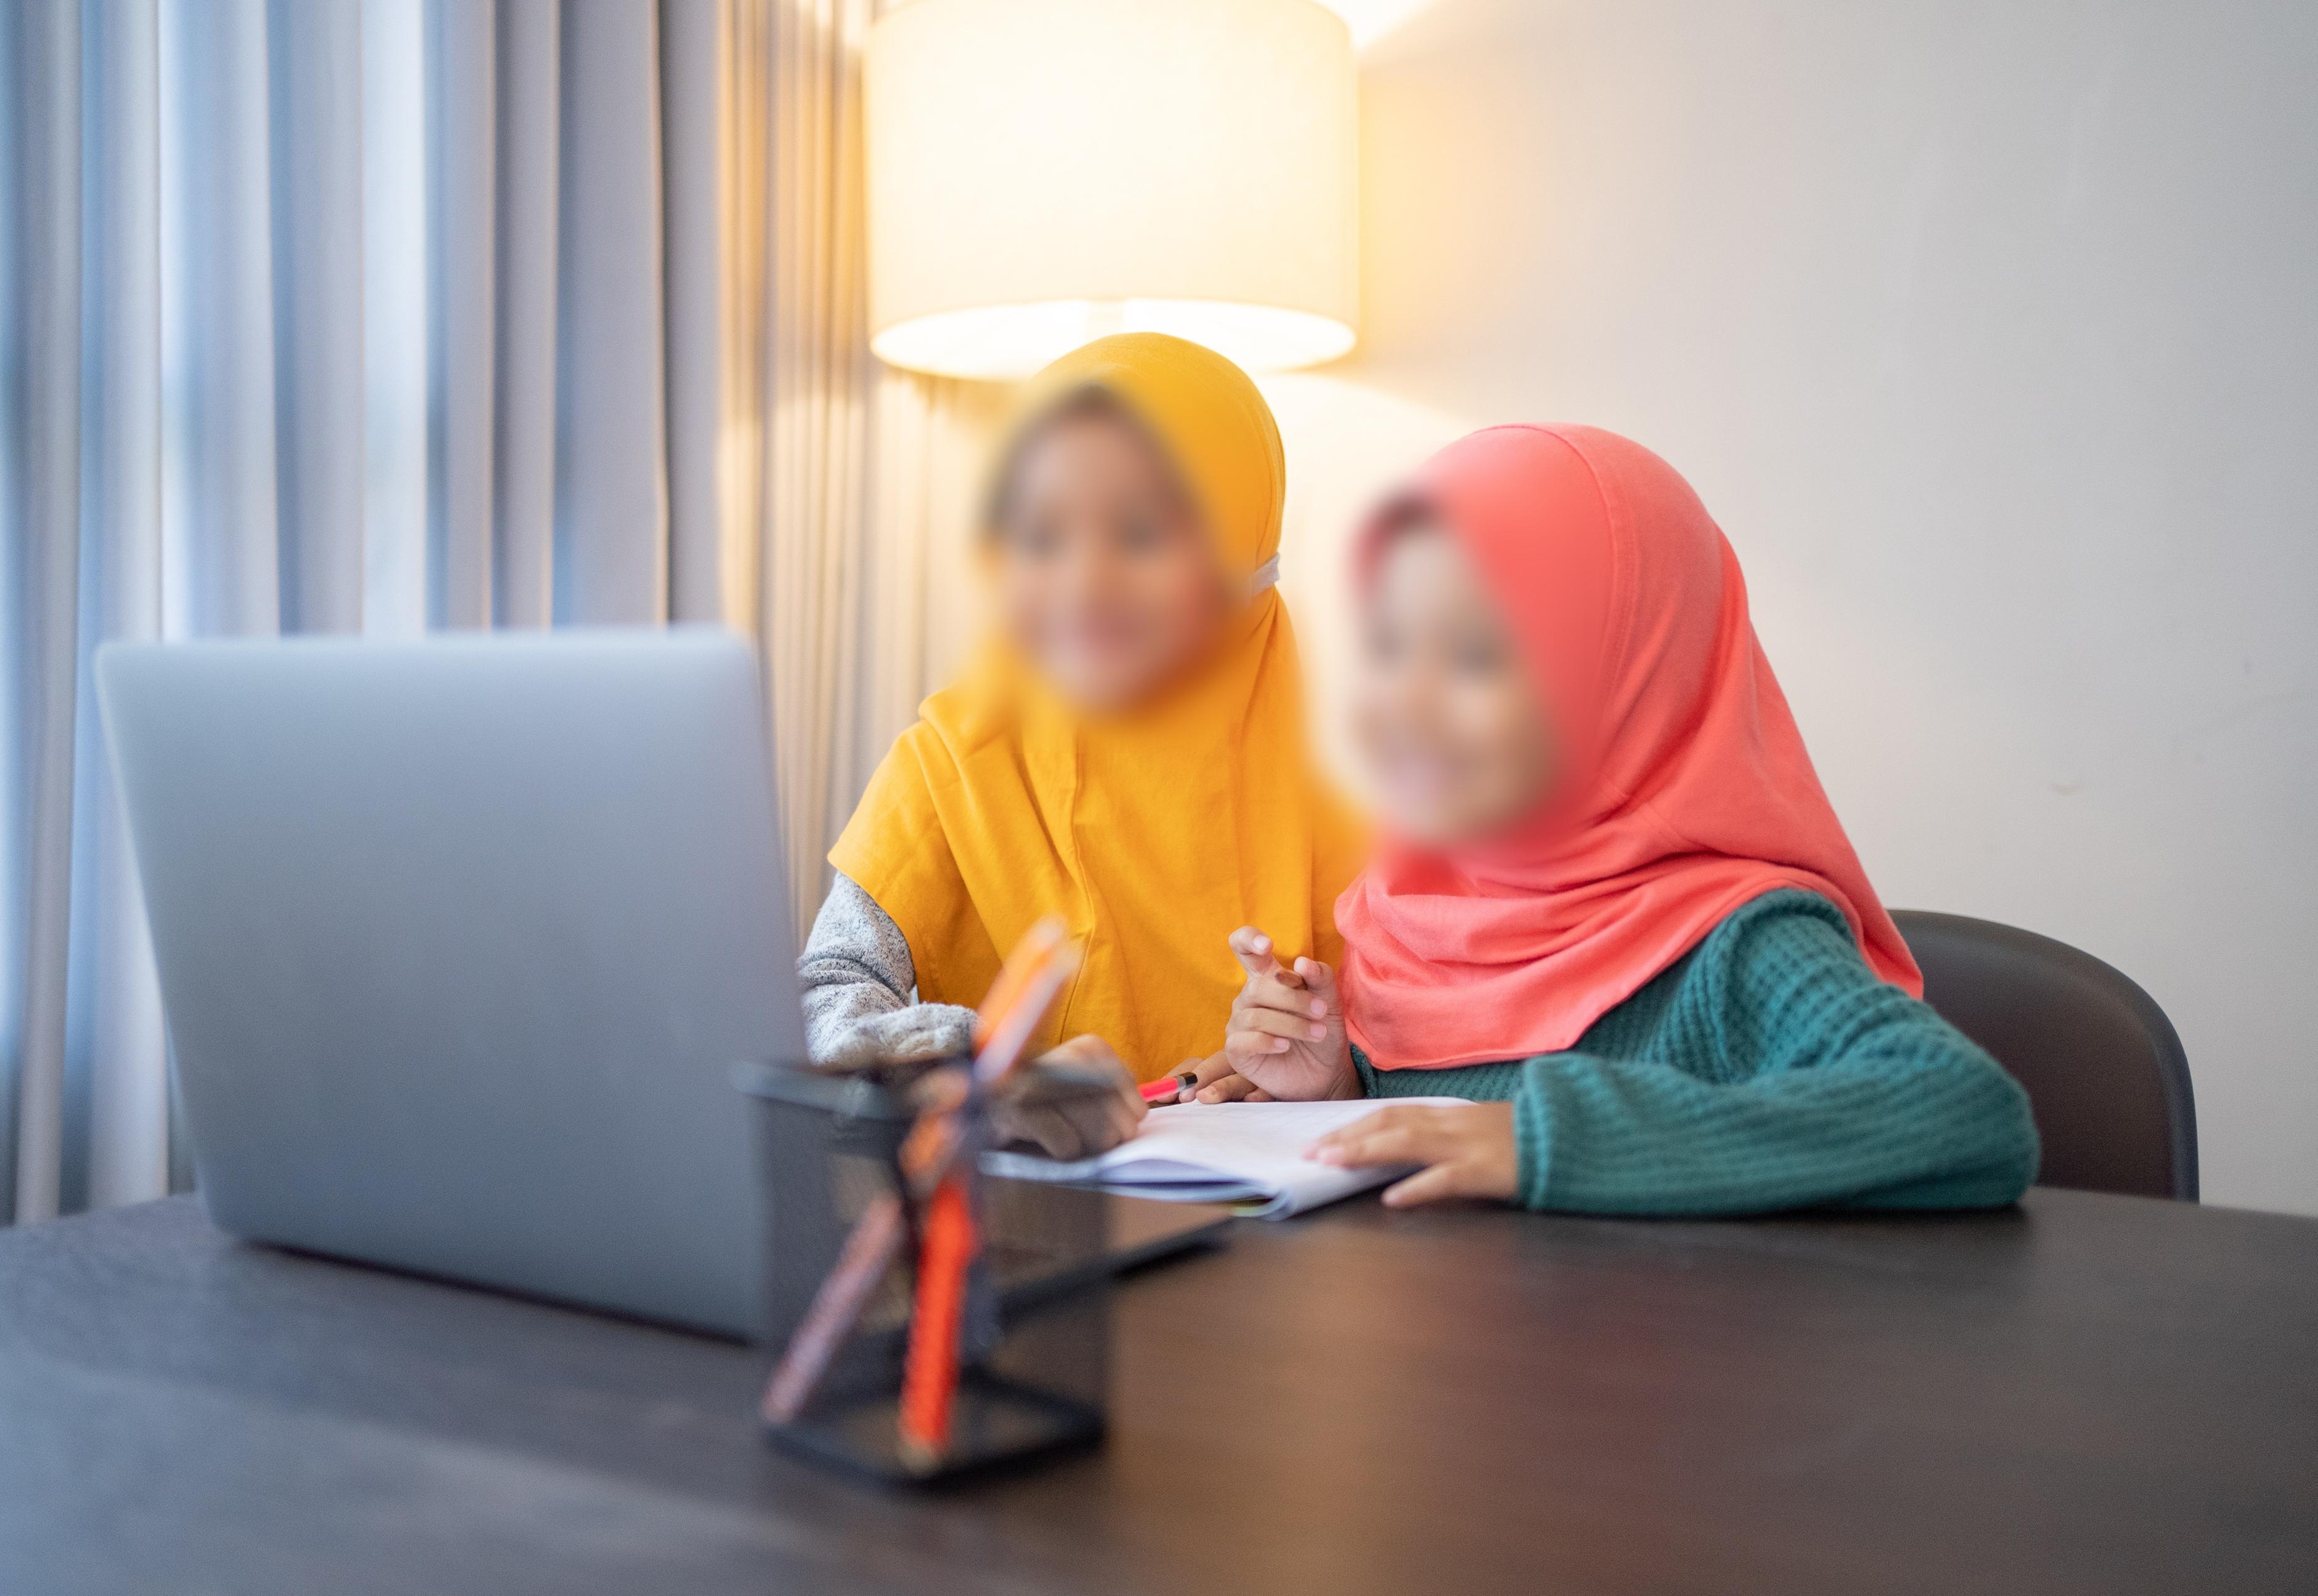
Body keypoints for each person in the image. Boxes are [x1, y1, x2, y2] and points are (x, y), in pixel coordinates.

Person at [1201, 424, 2040, 1213]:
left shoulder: (1736, 943)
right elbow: (1446, 1150)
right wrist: (1335, 1089)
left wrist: (1555, 1139)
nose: (1406, 703)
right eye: (1386, 646)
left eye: (1475, 655)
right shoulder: (1407, 918)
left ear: (1634, 678)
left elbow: (1964, 1110)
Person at [800, 332, 1360, 1152]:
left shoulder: (1357, 780)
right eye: (1045, 534)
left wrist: (1335, 1076)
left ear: (1245, 551)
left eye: (1139, 533)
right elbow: (826, 999)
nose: (1084, 581)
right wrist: (990, 1068)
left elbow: (1428, 1062)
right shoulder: (954, 758)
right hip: (1019, 1229)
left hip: (1273, 1234)